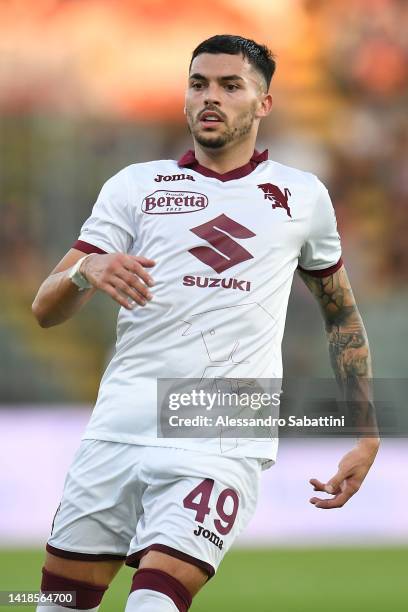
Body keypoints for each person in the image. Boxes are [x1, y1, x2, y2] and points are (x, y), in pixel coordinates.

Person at [32, 34, 379, 612]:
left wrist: (368, 434)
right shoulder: (135, 186)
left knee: (153, 603)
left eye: (229, 85)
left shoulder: (302, 196)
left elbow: (340, 314)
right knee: (54, 605)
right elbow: (45, 309)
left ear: (263, 104)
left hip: (221, 434)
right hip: (117, 428)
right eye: (198, 84)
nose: (209, 97)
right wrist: (86, 270)